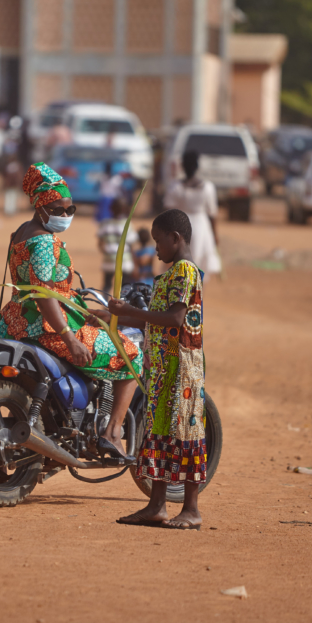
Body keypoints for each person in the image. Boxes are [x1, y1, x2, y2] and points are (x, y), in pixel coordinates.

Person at [0, 163, 142, 461]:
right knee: (131, 355)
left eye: (70, 210)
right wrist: (70, 337)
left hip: (16, 321)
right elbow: (45, 298)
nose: (66, 216)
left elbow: (44, 291)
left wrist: (84, 311)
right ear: (42, 207)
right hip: (46, 326)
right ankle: (111, 433)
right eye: (60, 209)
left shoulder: (21, 232)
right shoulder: (44, 241)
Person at [109, 209, 207, 529]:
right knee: (160, 433)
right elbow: (152, 320)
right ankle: (156, 506)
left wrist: (130, 310)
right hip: (164, 369)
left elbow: (176, 319)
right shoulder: (169, 275)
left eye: (158, 241)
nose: (155, 249)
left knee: (186, 433)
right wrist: (113, 315)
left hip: (182, 369)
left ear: (175, 238)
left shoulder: (185, 272)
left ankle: (191, 510)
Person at [163, 150, 221, 277]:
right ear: (197, 167)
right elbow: (212, 214)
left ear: (183, 166)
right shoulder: (208, 188)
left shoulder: (175, 187)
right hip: (202, 226)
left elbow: (167, 211)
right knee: (198, 261)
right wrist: (215, 234)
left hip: (179, 226)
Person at [97, 197, 139, 293]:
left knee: (107, 285)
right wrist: (136, 265)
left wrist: (107, 251)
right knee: (124, 286)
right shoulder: (127, 224)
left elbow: (100, 243)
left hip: (109, 260)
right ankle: (121, 305)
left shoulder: (105, 223)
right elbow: (132, 246)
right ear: (124, 209)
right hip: (125, 262)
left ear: (111, 208)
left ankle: (105, 304)